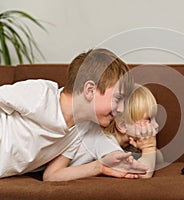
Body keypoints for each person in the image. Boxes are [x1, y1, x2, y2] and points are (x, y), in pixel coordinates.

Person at [0, 48, 150, 178]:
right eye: (118, 98)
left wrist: (99, 166)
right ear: (90, 90)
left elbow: (52, 175)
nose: (122, 109)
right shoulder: (41, 94)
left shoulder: (81, 128)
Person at [43, 84, 162, 181]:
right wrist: (149, 147)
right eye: (148, 119)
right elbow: (143, 173)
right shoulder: (104, 140)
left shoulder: (125, 143)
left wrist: (148, 149)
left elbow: (159, 159)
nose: (156, 126)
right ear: (122, 126)